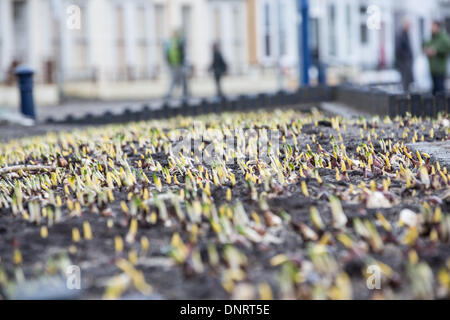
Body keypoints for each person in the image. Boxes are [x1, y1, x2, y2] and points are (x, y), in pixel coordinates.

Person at [423, 21, 450, 95]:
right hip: (432, 69)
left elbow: (448, 47)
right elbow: (424, 46)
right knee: (434, 91)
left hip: (440, 69)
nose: (431, 28)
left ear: (438, 27)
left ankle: (443, 106)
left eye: (433, 26)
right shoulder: (431, 38)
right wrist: (426, 50)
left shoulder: (443, 37)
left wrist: (437, 51)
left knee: (440, 91)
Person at [165, 30, 188, 100]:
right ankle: (173, 93)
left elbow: (182, 53)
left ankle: (180, 93)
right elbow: (168, 53)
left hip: (177, 63)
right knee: (175, 79)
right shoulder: (174, 42)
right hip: (175, 64)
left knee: (177, 79)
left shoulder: (175, 42)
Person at [395, 20, 414, 92]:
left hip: (406, 61)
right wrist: (406, 57)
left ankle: (406, 93)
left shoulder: (405, 34)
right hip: (404, 62)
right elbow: (398, 49)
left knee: (407, 80)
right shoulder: (401, 34)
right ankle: (405, 95)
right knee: (405, 80)